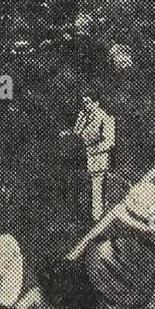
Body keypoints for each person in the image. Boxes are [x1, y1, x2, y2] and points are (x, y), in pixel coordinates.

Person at [62, 91, 116, 221]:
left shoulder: (105, 117)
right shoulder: (83, 115)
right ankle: (84, 217)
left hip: (98, 159)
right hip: (81, 158)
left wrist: (91, 149)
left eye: (88, 102)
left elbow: (109, 142)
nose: (86, 105)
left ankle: (98, 219)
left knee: (98, 189)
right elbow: (77, 132)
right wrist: (67, 136)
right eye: (84, 103)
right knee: (82, 188)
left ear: (96, 103)